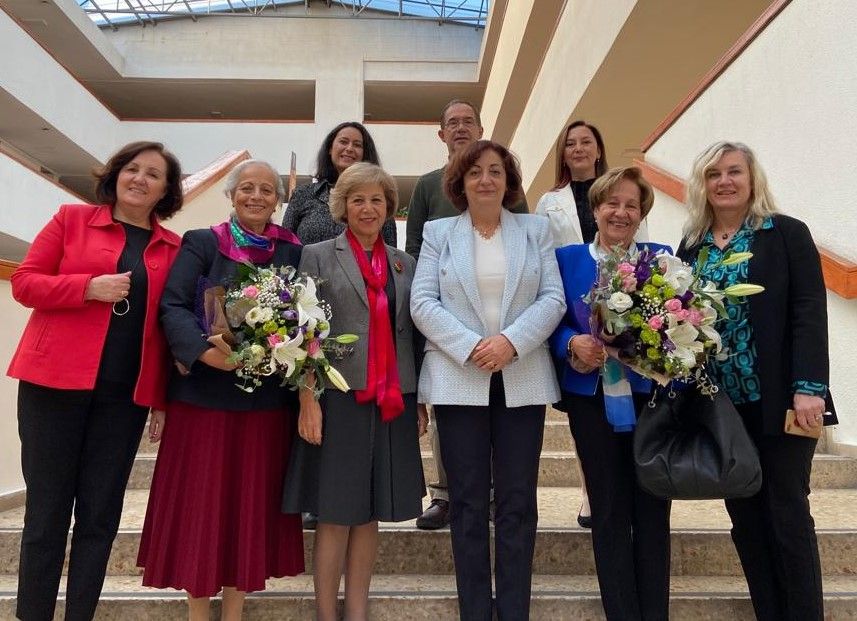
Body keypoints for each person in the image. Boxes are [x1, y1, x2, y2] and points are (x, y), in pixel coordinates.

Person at [7, 141, 183, 621]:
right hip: (52, 388)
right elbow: (25, 282)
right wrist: (86, 287)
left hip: (122, 400)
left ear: (166, 190)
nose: (140, 179)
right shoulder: (71, 220)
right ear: (116, 174)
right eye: (132, 169)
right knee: (46, 514)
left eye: (153, 174)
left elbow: (169, 328)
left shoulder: (173, 248)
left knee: (100, 517)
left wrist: (161, 399)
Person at [137, 159, 305, 620]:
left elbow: (303, 317)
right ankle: (197, 613)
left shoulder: (292, 252)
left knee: (248, 514)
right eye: (247, 187)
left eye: (267, 190)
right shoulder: (203, 242)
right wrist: (202, 352)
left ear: (278, 201)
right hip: (203, 402)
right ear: (231, 195)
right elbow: (173, 306)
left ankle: (233, 612)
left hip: (265, 406)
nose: (256, 196)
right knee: (201, 512)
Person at [678, 141, 836, 621]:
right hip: (722, 408)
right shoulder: (692, 246)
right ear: (702, 185)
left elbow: (809, 311)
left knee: (787, 513)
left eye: (734, 172)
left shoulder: (785, 233)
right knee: (745, 519)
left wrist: (809, 387)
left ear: (752, 180)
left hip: (783, 401)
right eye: (714, 174)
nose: (724, 181)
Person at [411, 140, 565, 620]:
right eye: (475, 171)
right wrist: (472, 345)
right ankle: (476, 611)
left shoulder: (535, 230)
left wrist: (511, 342)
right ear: (460, 181)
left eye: (495, 171)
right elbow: (422, 302)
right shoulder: (439, 233)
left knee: (517, 500)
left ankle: (513, 610)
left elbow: (553, 298)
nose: (485, 179)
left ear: (508, 181)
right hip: (459, 378)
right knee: (468, 502)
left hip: (522, 377)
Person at [282, 162, 426, 621]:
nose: (368, 208)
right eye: (358, 199)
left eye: (377, 200)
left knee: (370, 511)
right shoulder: (317, 255)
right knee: (335, 511)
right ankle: (327, 613)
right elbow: (303, 332)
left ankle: (357, 610)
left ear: (389, 208)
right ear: (343, 206)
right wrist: (307, 398)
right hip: (338, 397)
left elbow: (412, 336)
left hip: (392, 400)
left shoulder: (405, 264)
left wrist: (419, 400)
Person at [549, 166, 671, 621]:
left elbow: (682, 322)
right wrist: (570, 344)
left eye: (631, 206)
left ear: (642, 214)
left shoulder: (661, 260)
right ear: (595, 208)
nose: (621, 213)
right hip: (590, 398)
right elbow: (551, 322)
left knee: (652, 509)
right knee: (608, 508)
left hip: (649, 399)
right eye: (612, 203)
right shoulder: (567, 260)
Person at [405, 99, 528, 530]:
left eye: (467, 122)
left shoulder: (507, 185)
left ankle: (493, 494)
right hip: (448, 324)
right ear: (441, 134)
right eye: (452, 123)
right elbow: (415, 251)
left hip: (505, 327)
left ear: (480, 128)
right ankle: (445, 494)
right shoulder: (427, 185)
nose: (460, 128)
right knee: (451, 414)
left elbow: (527, 255)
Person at [282, 121, 396, 247]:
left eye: (357, 145)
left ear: (365, 153)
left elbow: (390, 252)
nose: (349, 148)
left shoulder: (379, 200)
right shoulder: (303, 194)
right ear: (330, 148)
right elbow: (284, 244)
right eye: (343, 142)